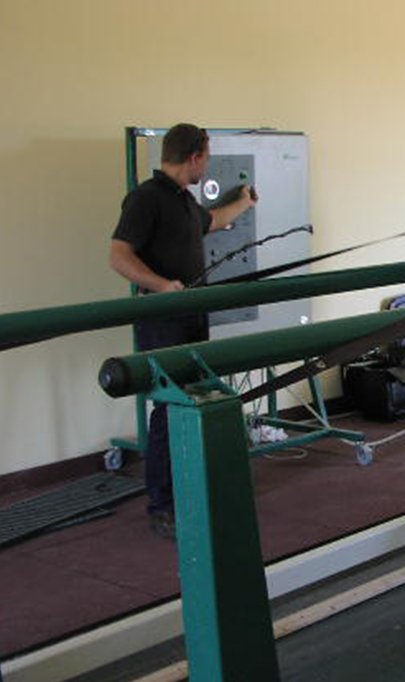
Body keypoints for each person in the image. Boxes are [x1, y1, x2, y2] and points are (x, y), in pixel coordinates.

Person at [109, 123, 258, 539]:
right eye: (206, 158)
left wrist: (243, 202)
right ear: (195, 157)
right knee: (168, 410)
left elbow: (211, 222)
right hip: (164, 322)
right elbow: (118, 255)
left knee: (193, 403)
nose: (207, 166)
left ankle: (190, 494)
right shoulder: (146, 198)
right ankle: (162, 505)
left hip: (193, 317)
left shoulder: (184, 200)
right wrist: (162, 286)